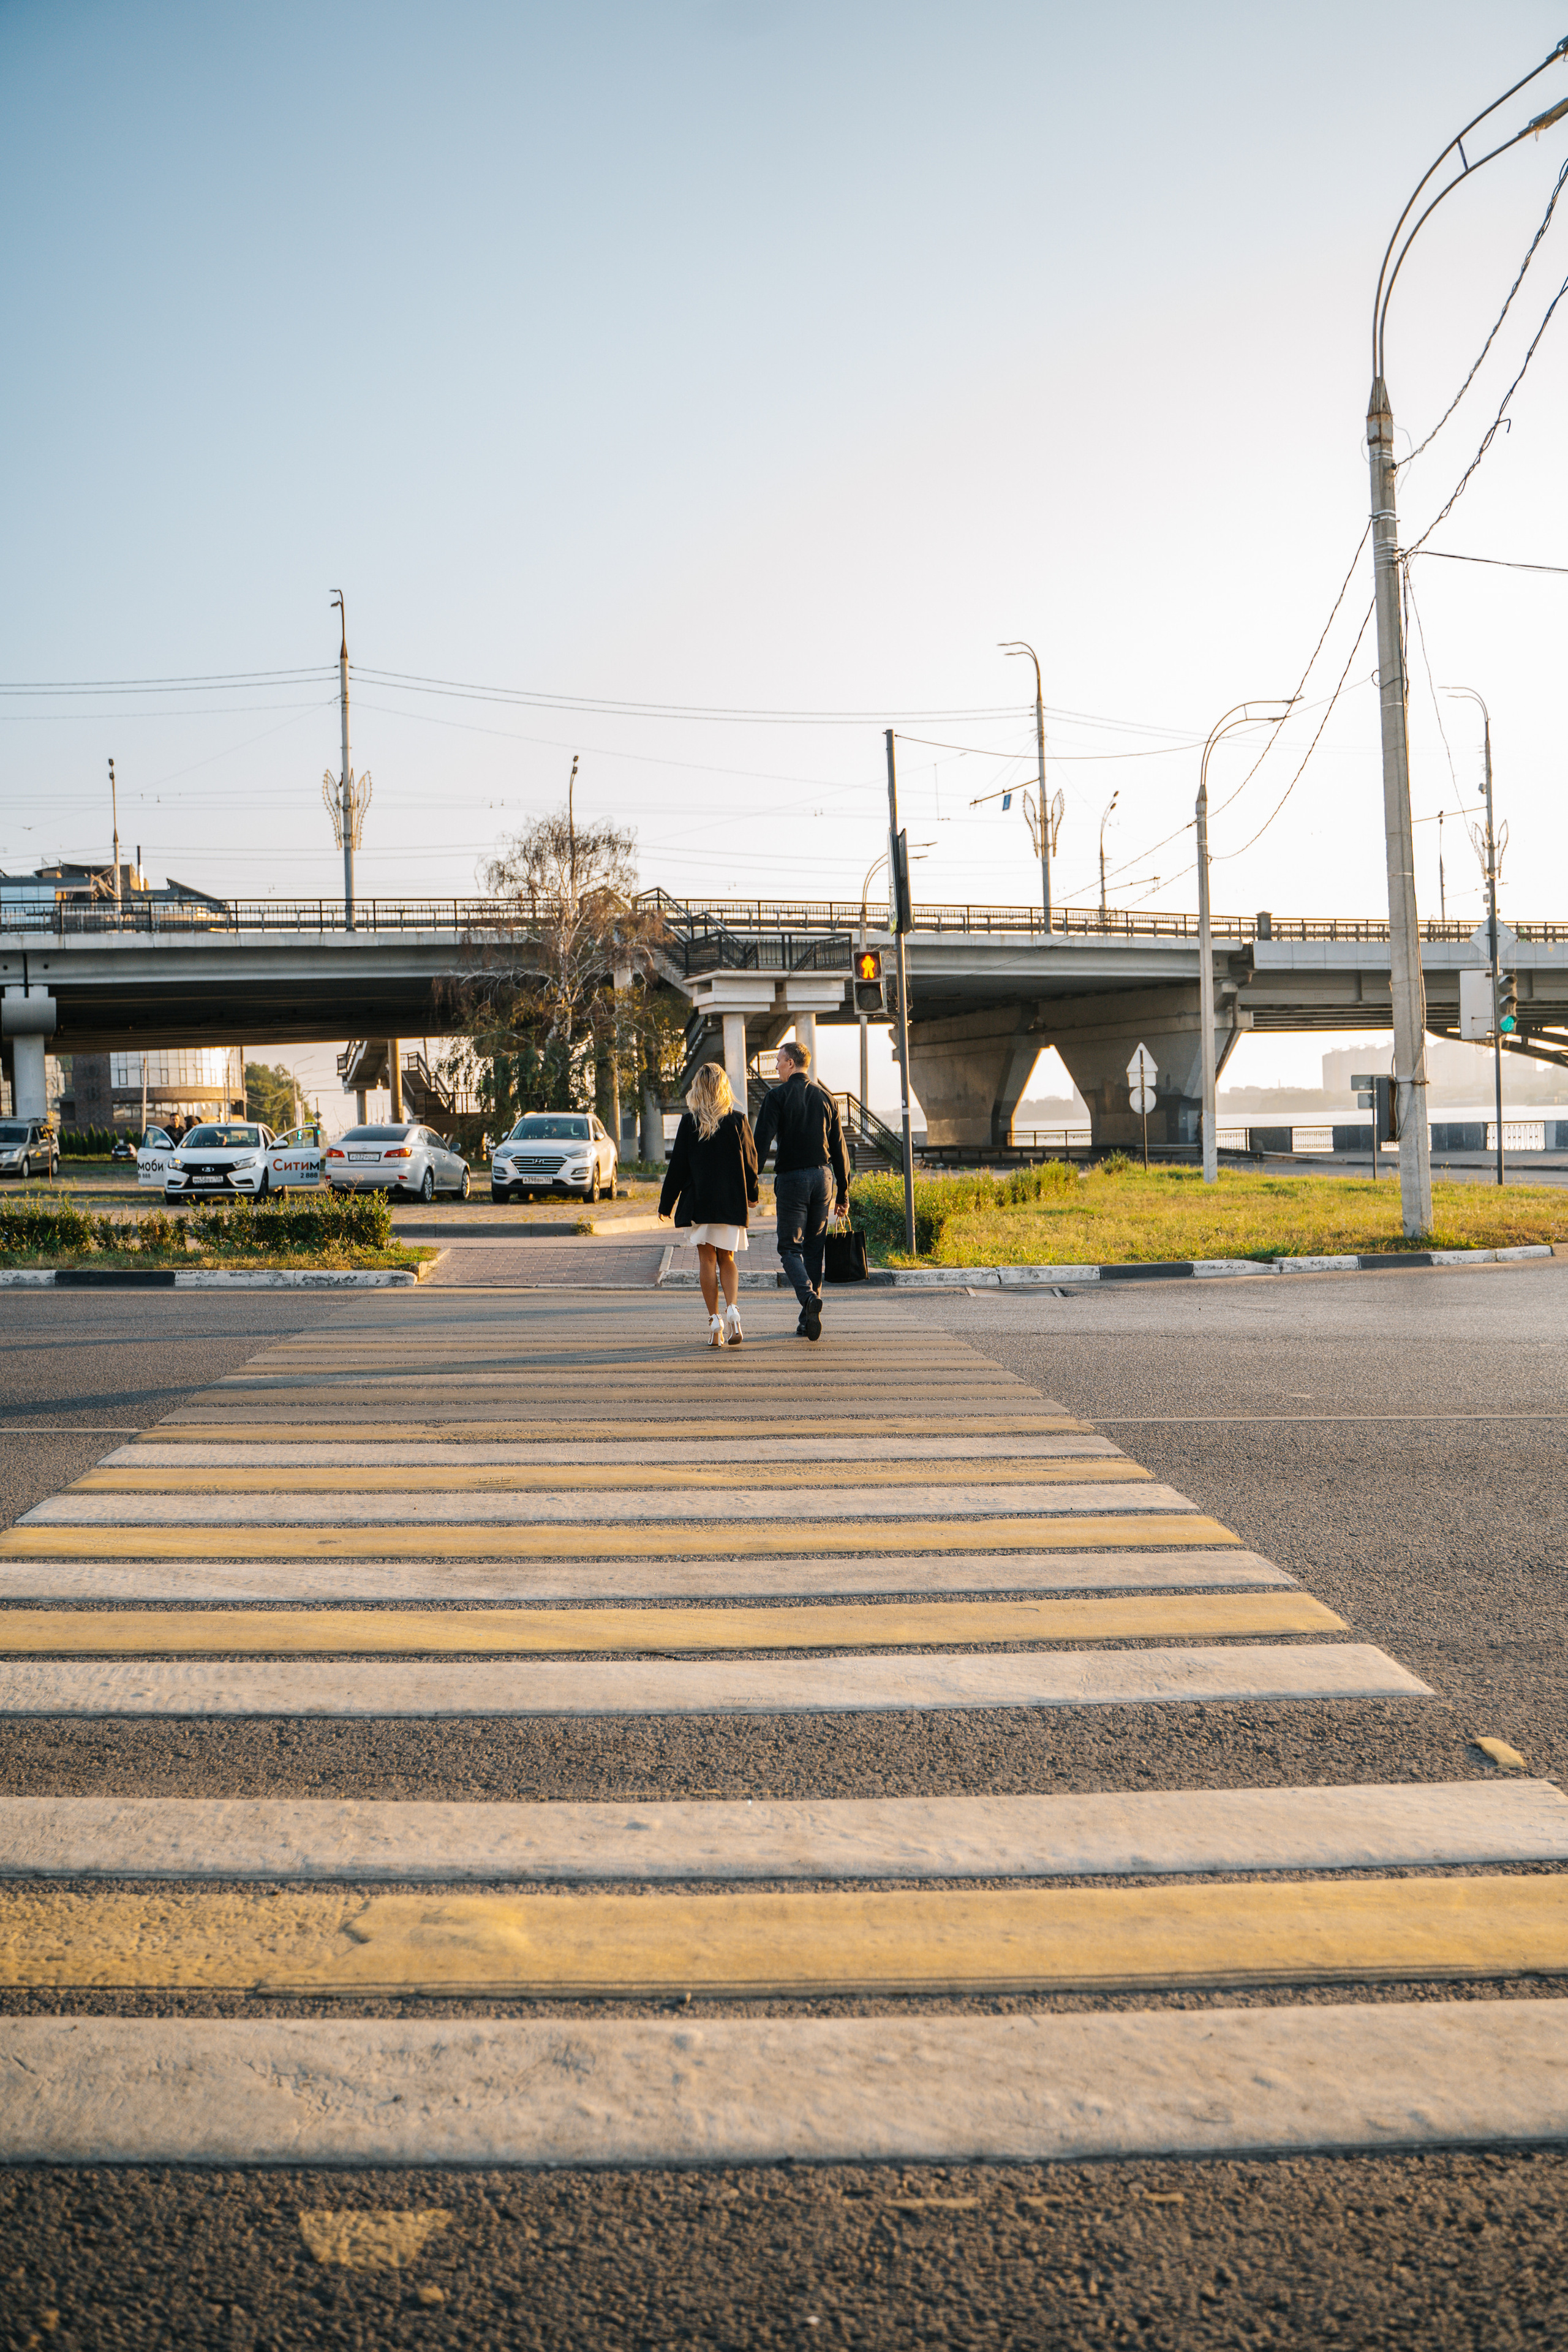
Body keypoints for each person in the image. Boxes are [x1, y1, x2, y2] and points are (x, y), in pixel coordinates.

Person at [752, 1037, 849, 1342]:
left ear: (791, 1063)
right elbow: (840, 1149)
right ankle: (808, 1321)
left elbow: (760, 1144)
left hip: (793, 1180)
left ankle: (808, 1299)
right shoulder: (827, 1098)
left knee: (789, 1248)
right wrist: (844, 1193)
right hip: (824, 1179)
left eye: (779, 1061)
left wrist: (750, 1182)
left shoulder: (776, 1097)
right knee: (813, 1249)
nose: (777, 1066)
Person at [658, 1062, 760, 1347]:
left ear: (698, 1090)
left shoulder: (690, 1122)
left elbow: (677, 1167)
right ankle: (734, 1313)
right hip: (731, 1203)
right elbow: (751, 1164)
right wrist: (753, 1195)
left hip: (700, 1202)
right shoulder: (739, 1120)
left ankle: (715, 1324)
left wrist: (667, 1204)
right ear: (723, 1088)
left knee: (707, 1260)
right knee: (728, 1259)